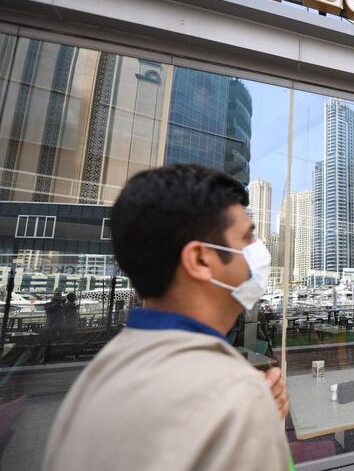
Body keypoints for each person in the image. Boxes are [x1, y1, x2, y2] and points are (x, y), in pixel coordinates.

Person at [44, 164, 290, 471]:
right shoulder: (231, 395)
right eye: (247, 237)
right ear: (200, 260)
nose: (259, 252)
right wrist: (255, 419)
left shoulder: (99, 374)